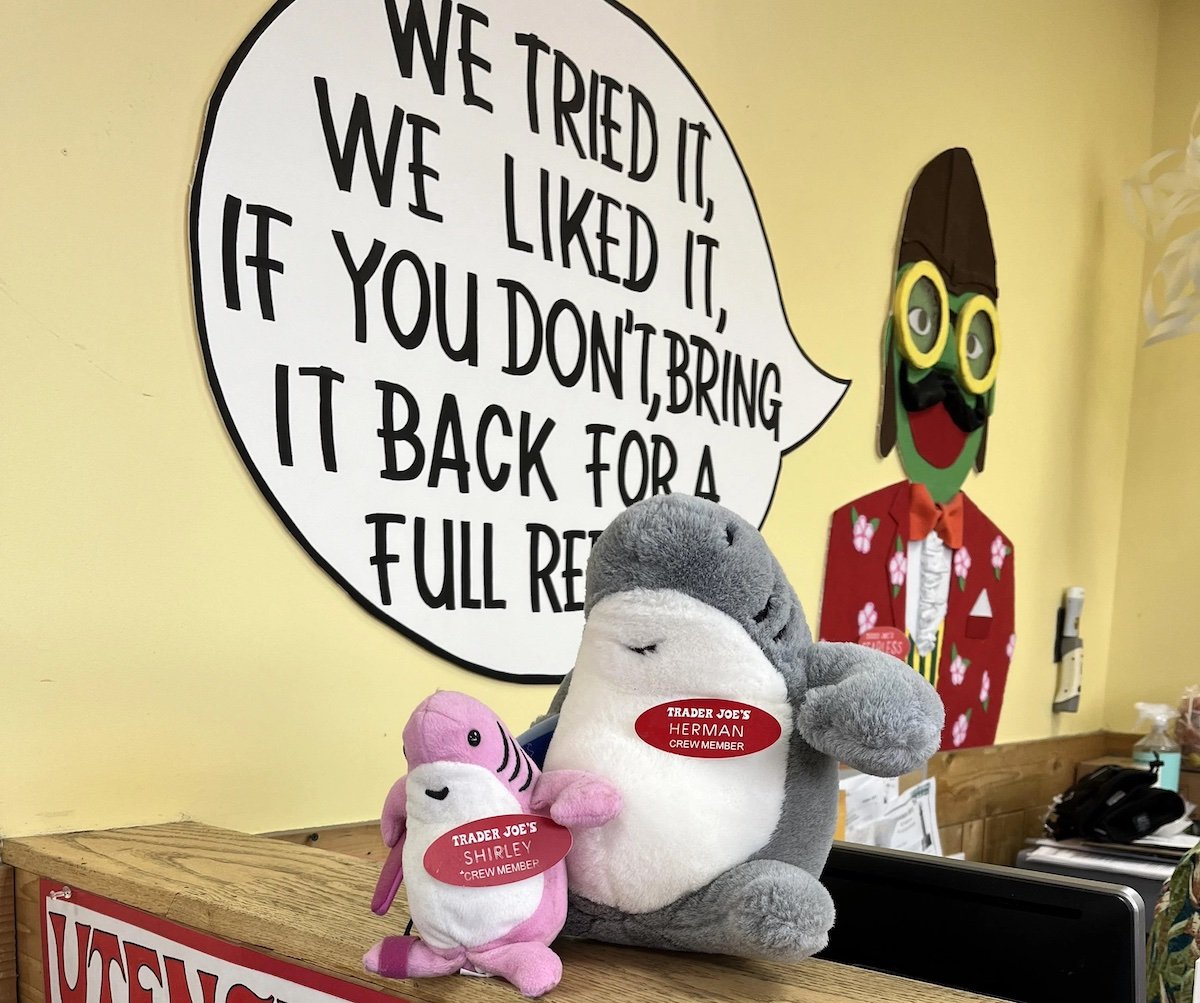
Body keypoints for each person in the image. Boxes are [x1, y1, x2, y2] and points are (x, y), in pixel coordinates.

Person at [819, 149, 1013, 750]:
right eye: (927, 322)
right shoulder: (859, 525)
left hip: (950, 763)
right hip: (857, 767)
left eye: (974, 344)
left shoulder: (994, 550)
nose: (952, 373)